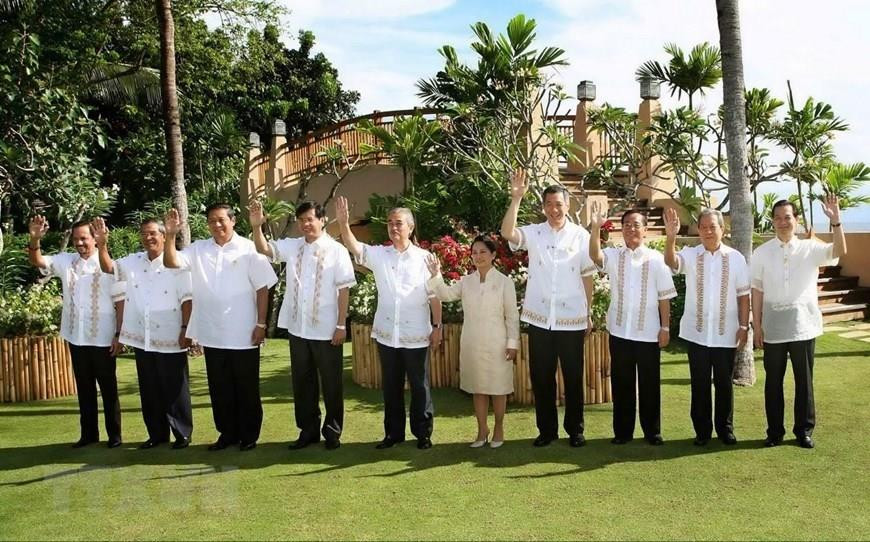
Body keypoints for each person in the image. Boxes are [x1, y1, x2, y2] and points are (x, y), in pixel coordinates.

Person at [163, 204, 277, 452]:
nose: (217, 225)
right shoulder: (199, 249)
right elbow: (172, 262)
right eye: (212, 221)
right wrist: (170, 235)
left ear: (233, 221)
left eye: (221, 220)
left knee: (246, 387)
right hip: (212, 333)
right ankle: (227, 434)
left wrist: (261, 324)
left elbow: (262, 288)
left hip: (244, 332)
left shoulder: (249, 248)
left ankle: (248, 435)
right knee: (220, 388)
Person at [335, 196, 442, 450]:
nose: (394, 228)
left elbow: (434, 296)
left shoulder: (425, 258)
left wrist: (437, 326)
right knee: (391, 387)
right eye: (390, 223)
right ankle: (393, 434)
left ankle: (423, 434)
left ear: (410, 227)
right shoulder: (379, 255)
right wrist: (343, 223)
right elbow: (354, 246)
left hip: (416, 333)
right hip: (387, 333)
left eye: (399, 223)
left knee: (420, 386)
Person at [500, 169, 596, 448]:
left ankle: (575, 430)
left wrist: (588, 313)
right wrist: (516, 198)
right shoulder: (534, 233)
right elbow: (507, 232)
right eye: (550, 204)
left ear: (568, 206)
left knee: (573, 377)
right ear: (543, 207)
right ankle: (547, 430)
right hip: (540, 317)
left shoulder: (580, 236)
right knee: (541, 378)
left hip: (571, 319)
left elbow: (587, 276)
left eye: (559, 204)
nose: (555, 209)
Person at [250, 200, 356, 451]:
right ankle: (307, 431)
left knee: (331, 383)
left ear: (322, 220)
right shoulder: (293, 247)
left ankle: (332, 432)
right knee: (302, 382)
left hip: (327, 329)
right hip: (299, 328)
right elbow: (264, 249)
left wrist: (341, 325)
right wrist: (257, 227)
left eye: (310, 219)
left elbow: (344, 289)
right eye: (301, 220)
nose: (305, 224)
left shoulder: (336, 250)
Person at [751, 195, 846, 449]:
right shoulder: (761, 253)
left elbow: (838, 251)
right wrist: (756, 324)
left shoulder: (810, 248)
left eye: (788, 217)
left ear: (796, 220)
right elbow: (757, 291)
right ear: (773, 221)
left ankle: (803, 431)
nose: (783, 222)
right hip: (772, 328)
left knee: (804, 382)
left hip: (803, 326)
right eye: (779, 218)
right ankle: (774, 432)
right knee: (773, 383)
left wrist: (836, 222)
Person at [93, 217, 195, 450]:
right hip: (143, 335)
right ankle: (156, 434)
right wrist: (102, 244)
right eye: (144, 234)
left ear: (162, 235)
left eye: (152, 233)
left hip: (171, 334)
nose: (148, 238)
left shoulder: (176, 262)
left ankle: (182, 433)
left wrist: (185, 329)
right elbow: (109, 267)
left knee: (175, 387)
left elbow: (187, 299)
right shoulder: (133, 261)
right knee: (149, 388)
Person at [27, 216, 124, 448]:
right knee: (84, 387)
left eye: (84, 238)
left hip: (102, 336)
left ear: (95, 239)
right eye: (75, 239)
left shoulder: (109, 264)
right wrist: (35, 238)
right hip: (75, 336)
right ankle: (89, 435)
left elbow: (121, 300)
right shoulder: (66, 261)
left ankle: (115, 436)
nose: (79, 243)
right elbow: (37, 260)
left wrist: (119, 334)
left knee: (108, 388)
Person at [589, 203, 676, 445]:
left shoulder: (656, 259)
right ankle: (623, 433)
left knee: (650, 384)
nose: (630, 229)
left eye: (636, 225)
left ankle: (652, 432)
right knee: (622, 384)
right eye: (626, 225)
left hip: (648, 333)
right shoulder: (614, 255)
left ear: (645, 230)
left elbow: (664, 296)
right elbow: (594, 256)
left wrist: (665, 327)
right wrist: (596, 227)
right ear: (621, 230)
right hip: (619, 331)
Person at [663, 208, 750, 446]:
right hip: (697, 333)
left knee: (724, 384)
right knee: (699, 384)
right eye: (704, 227)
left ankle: (725, 430)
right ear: (698, 230)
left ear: (723, 229)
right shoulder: (691, 254)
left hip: (726, 333)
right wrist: (671, 236)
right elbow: (671, 262)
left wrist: (744, 326)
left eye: (713, 226)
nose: (709, 231)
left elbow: (744, 295)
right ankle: (702, 431)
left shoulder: (736, 258)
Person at [426, 235, 520, 448]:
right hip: (472, 341)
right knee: (478, 388)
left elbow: (512, 316)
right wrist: (435, 274)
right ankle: (481, 430)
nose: (478, 256)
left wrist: (512, 343)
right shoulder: (466, 282)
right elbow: (446, 294)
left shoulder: (505, 282)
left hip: (498, 342)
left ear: (493, 254)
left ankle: (498, 428)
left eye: (483, 252)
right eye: (475, 252)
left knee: (498, 388)